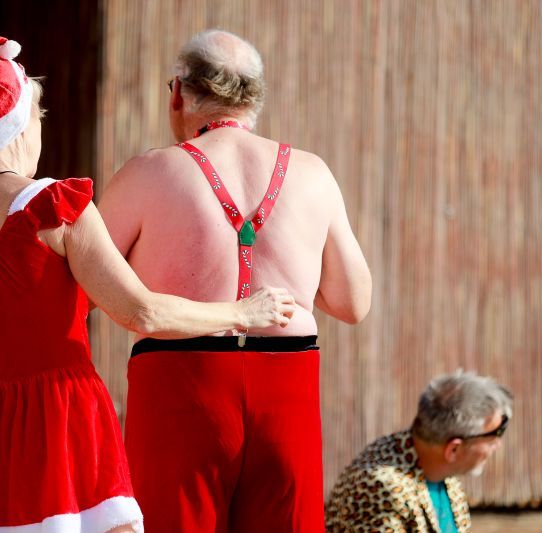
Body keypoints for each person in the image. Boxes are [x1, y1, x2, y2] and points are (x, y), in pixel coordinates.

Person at [0, 37, 295, 533]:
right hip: (64, 424)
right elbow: (142, 313)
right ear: (24, 121)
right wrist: (242, 313)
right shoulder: (53, 208)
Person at [98, 29, 372, 532]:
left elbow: (81, 282)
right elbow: (352, 302)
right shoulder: (312, 174)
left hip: (182, 381)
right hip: (286, 383)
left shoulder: (149, 173)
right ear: (255, 99)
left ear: (178, 93)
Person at [325, 371, 513, 532]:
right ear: (453, 449)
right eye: (493, 437)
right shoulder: (381, 487)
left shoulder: (440, 469)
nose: (497, 445)